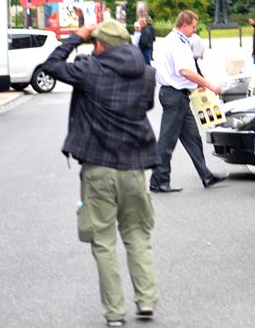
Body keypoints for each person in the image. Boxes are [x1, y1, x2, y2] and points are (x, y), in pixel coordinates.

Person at [42, 19, 161, 327]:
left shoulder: (89, 71)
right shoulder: (147, 74)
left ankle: (115, 313)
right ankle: (146, 302)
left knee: (104, 241)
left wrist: (74, 37)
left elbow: (51, 65)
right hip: (134, 168)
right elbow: (145, 105)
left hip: (98, 168)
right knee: (137, 236)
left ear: (99, 44)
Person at [150, 9, 225, 193]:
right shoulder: (175, 43)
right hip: (174, 96)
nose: (194, 30)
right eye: (193, 27)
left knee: (193, 137)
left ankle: (206, 175)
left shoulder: (177, 41)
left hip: (179, 95)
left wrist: (196, 85)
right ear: (184, 25)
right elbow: (185, 71)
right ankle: (159, 181)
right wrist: (209, 85)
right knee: (167, 141)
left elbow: (186, 72)